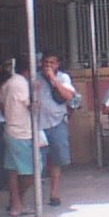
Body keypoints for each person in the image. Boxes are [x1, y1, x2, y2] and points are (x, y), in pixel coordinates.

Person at [37, 51, 75, 207]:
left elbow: (69, 96)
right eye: (46, 63)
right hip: (38, 124)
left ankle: (54, 192)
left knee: (56, 159)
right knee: (37, 161)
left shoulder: (63, 77)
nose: (48, 66)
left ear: (57, 64)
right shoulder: (35, 77)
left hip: (57, 122)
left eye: (52, 63)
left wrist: (53, 79)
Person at [0, 68, 36, 217]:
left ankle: (15, 204)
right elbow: (32, 106)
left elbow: (1, 104)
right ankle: (17, 202)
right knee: (31, 170)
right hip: (22, 132)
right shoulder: (21, 84)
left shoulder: (8, 83)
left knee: (13, 171)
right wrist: (37, 94)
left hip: (10, 129)